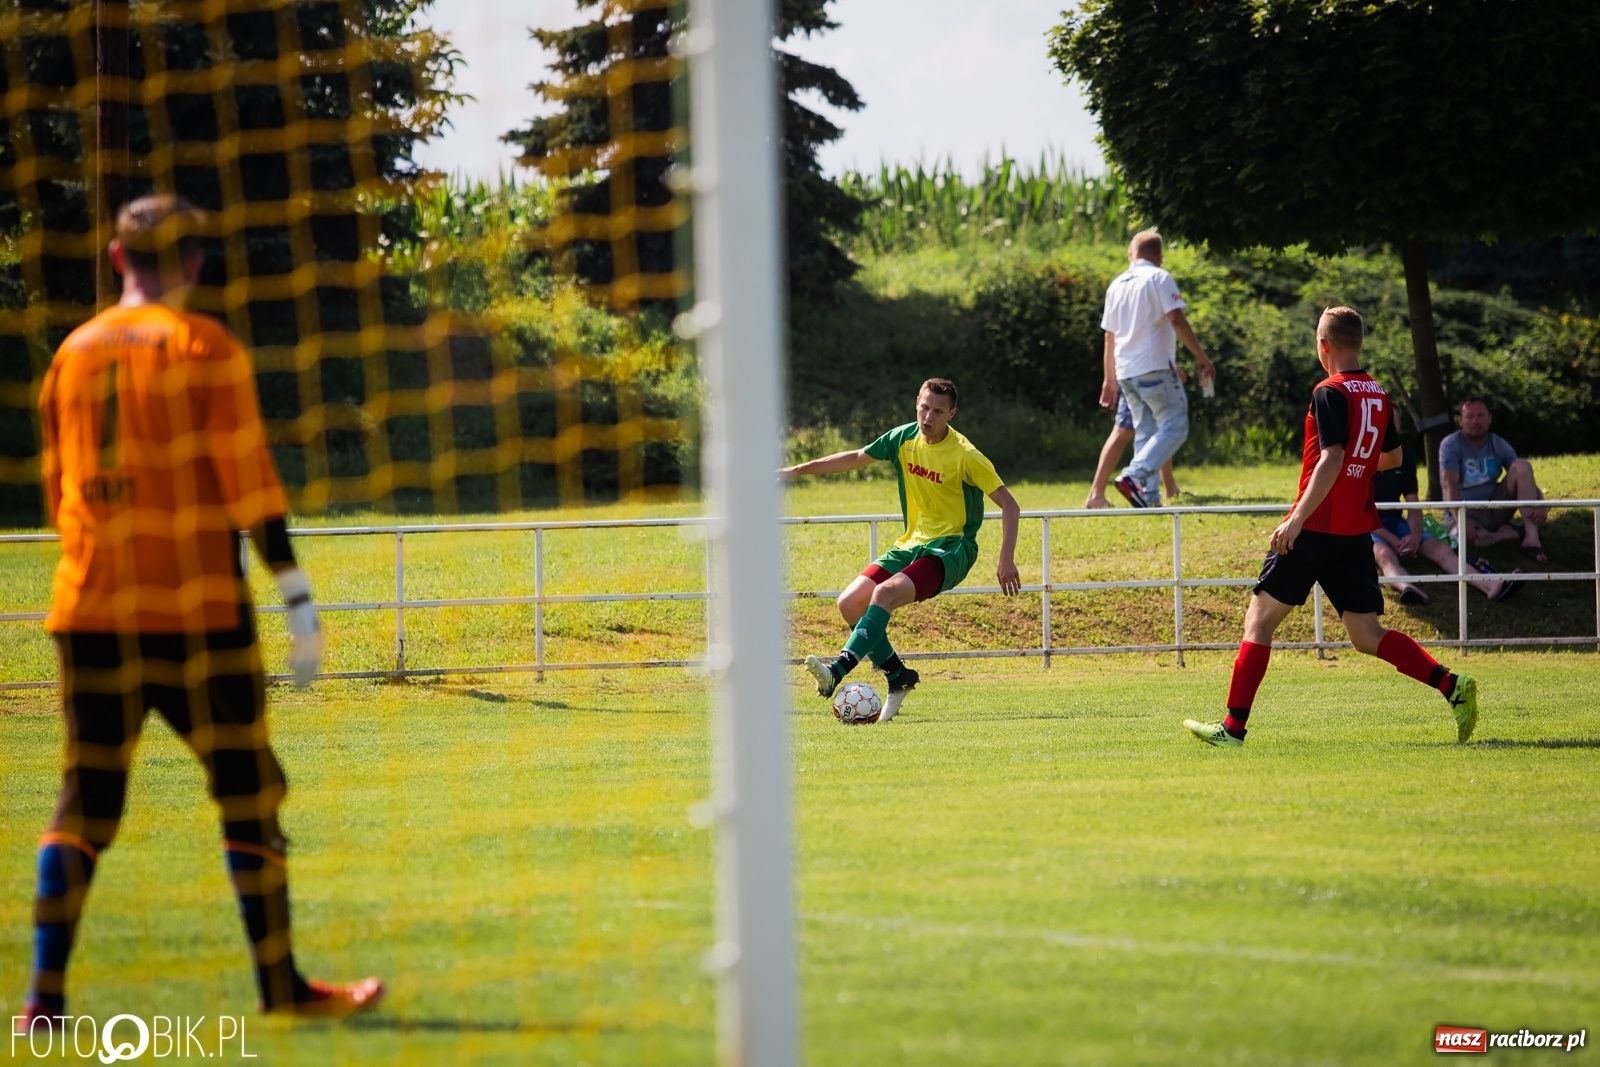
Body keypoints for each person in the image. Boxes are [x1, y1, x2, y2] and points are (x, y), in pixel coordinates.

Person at [21, 195, 383, 1028]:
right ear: (194, 262)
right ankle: (283, 988)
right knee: (251, 791)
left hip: (89, 611)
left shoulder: (68, 357)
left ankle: (43, 1001)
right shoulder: (205, 347)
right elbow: (253, 491)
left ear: (118, 258)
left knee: (85, 802)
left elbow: (59, 495)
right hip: (197, 614)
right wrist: (296, 597)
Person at [1183, 307, 1479, 748]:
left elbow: (1333, 457)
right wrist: (1358, 466)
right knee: (1366, 635)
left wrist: (1296, 520)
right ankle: (1451, 685)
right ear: (1357, 343)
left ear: (1323, 346)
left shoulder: (1328, 391)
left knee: (1259, 620)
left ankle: (1233, 728)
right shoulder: (1378, 394)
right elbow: (1394, 459)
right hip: (1355, 530)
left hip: (1316, 527)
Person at [778, 379, 1022, 722]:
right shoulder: (903, 438)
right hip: (910, 544)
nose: (928, 416)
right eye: (924, 407)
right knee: (849, 603)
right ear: (916, 403)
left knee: (884, 593)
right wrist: (799, 469)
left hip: (951, 549)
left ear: (951, 414)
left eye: (938, 411)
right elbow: (855, 458)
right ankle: (898, 676)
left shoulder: (967, 455)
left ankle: (837, 670)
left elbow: (1010, 506)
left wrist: (1005, 558)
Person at [1099, 229, 1216, 509]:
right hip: (1153, 367)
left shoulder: (1116, 285)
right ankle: (1135, 475)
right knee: (1175, 423)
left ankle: (1148, 497)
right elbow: (1175, 318)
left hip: (1126, 370)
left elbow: (1109, 336)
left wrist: (1110, 379)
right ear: (1160, 257)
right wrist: (1201, 357)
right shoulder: (1159, 278)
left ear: (1131, 254)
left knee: (1146, 430)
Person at [1371, 442, 1518, 604]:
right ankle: (1407, 588)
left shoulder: (1405, 456)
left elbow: (1413, 505)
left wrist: (1414, 536)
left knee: (1441, 549)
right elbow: (1360, 511)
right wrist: (1393, 540)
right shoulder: (1359, 457)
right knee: (1384, 555)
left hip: (1397, 521)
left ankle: (1490, 586)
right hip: (1368, 525)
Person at [1438, 397, 1550, 564]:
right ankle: (1506, 534)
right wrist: (1463, 521)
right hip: (1466, 512)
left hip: (1496, 507)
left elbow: (1523, 475)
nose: (1475, 421)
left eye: (1481, 415)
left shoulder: (1498, 444)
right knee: (1465, 541)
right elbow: (1448, 485)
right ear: (1460, 421)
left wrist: (1541, 504)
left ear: (1489, 418)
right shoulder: (1450, 445)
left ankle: (1532, 539)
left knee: (1521, 464)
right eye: (1469, 416)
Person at [1084, 392, 1182, 508]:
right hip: (1139, 377)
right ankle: (1098, 494)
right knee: (1125, 429)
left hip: (1139, 376)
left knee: (1160, 431)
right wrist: (1109, 379)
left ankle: (1170, 488)